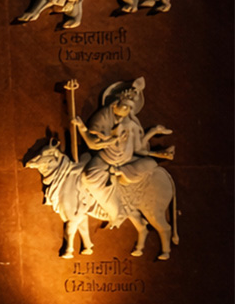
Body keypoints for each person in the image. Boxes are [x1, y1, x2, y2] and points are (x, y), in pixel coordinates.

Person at [73, 77, 173, 207]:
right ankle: (109, 206)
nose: (127, 112)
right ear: (115, 104)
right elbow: (93, 143)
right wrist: (85, 129)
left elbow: (138, 150)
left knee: (150, 164)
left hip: (126, 161)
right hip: (106, 158)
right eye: (125, 107)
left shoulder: (131, 125)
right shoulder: (103, 117)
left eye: (130, 109)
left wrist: (157, 151)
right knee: (89, 177)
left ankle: (121, 177)